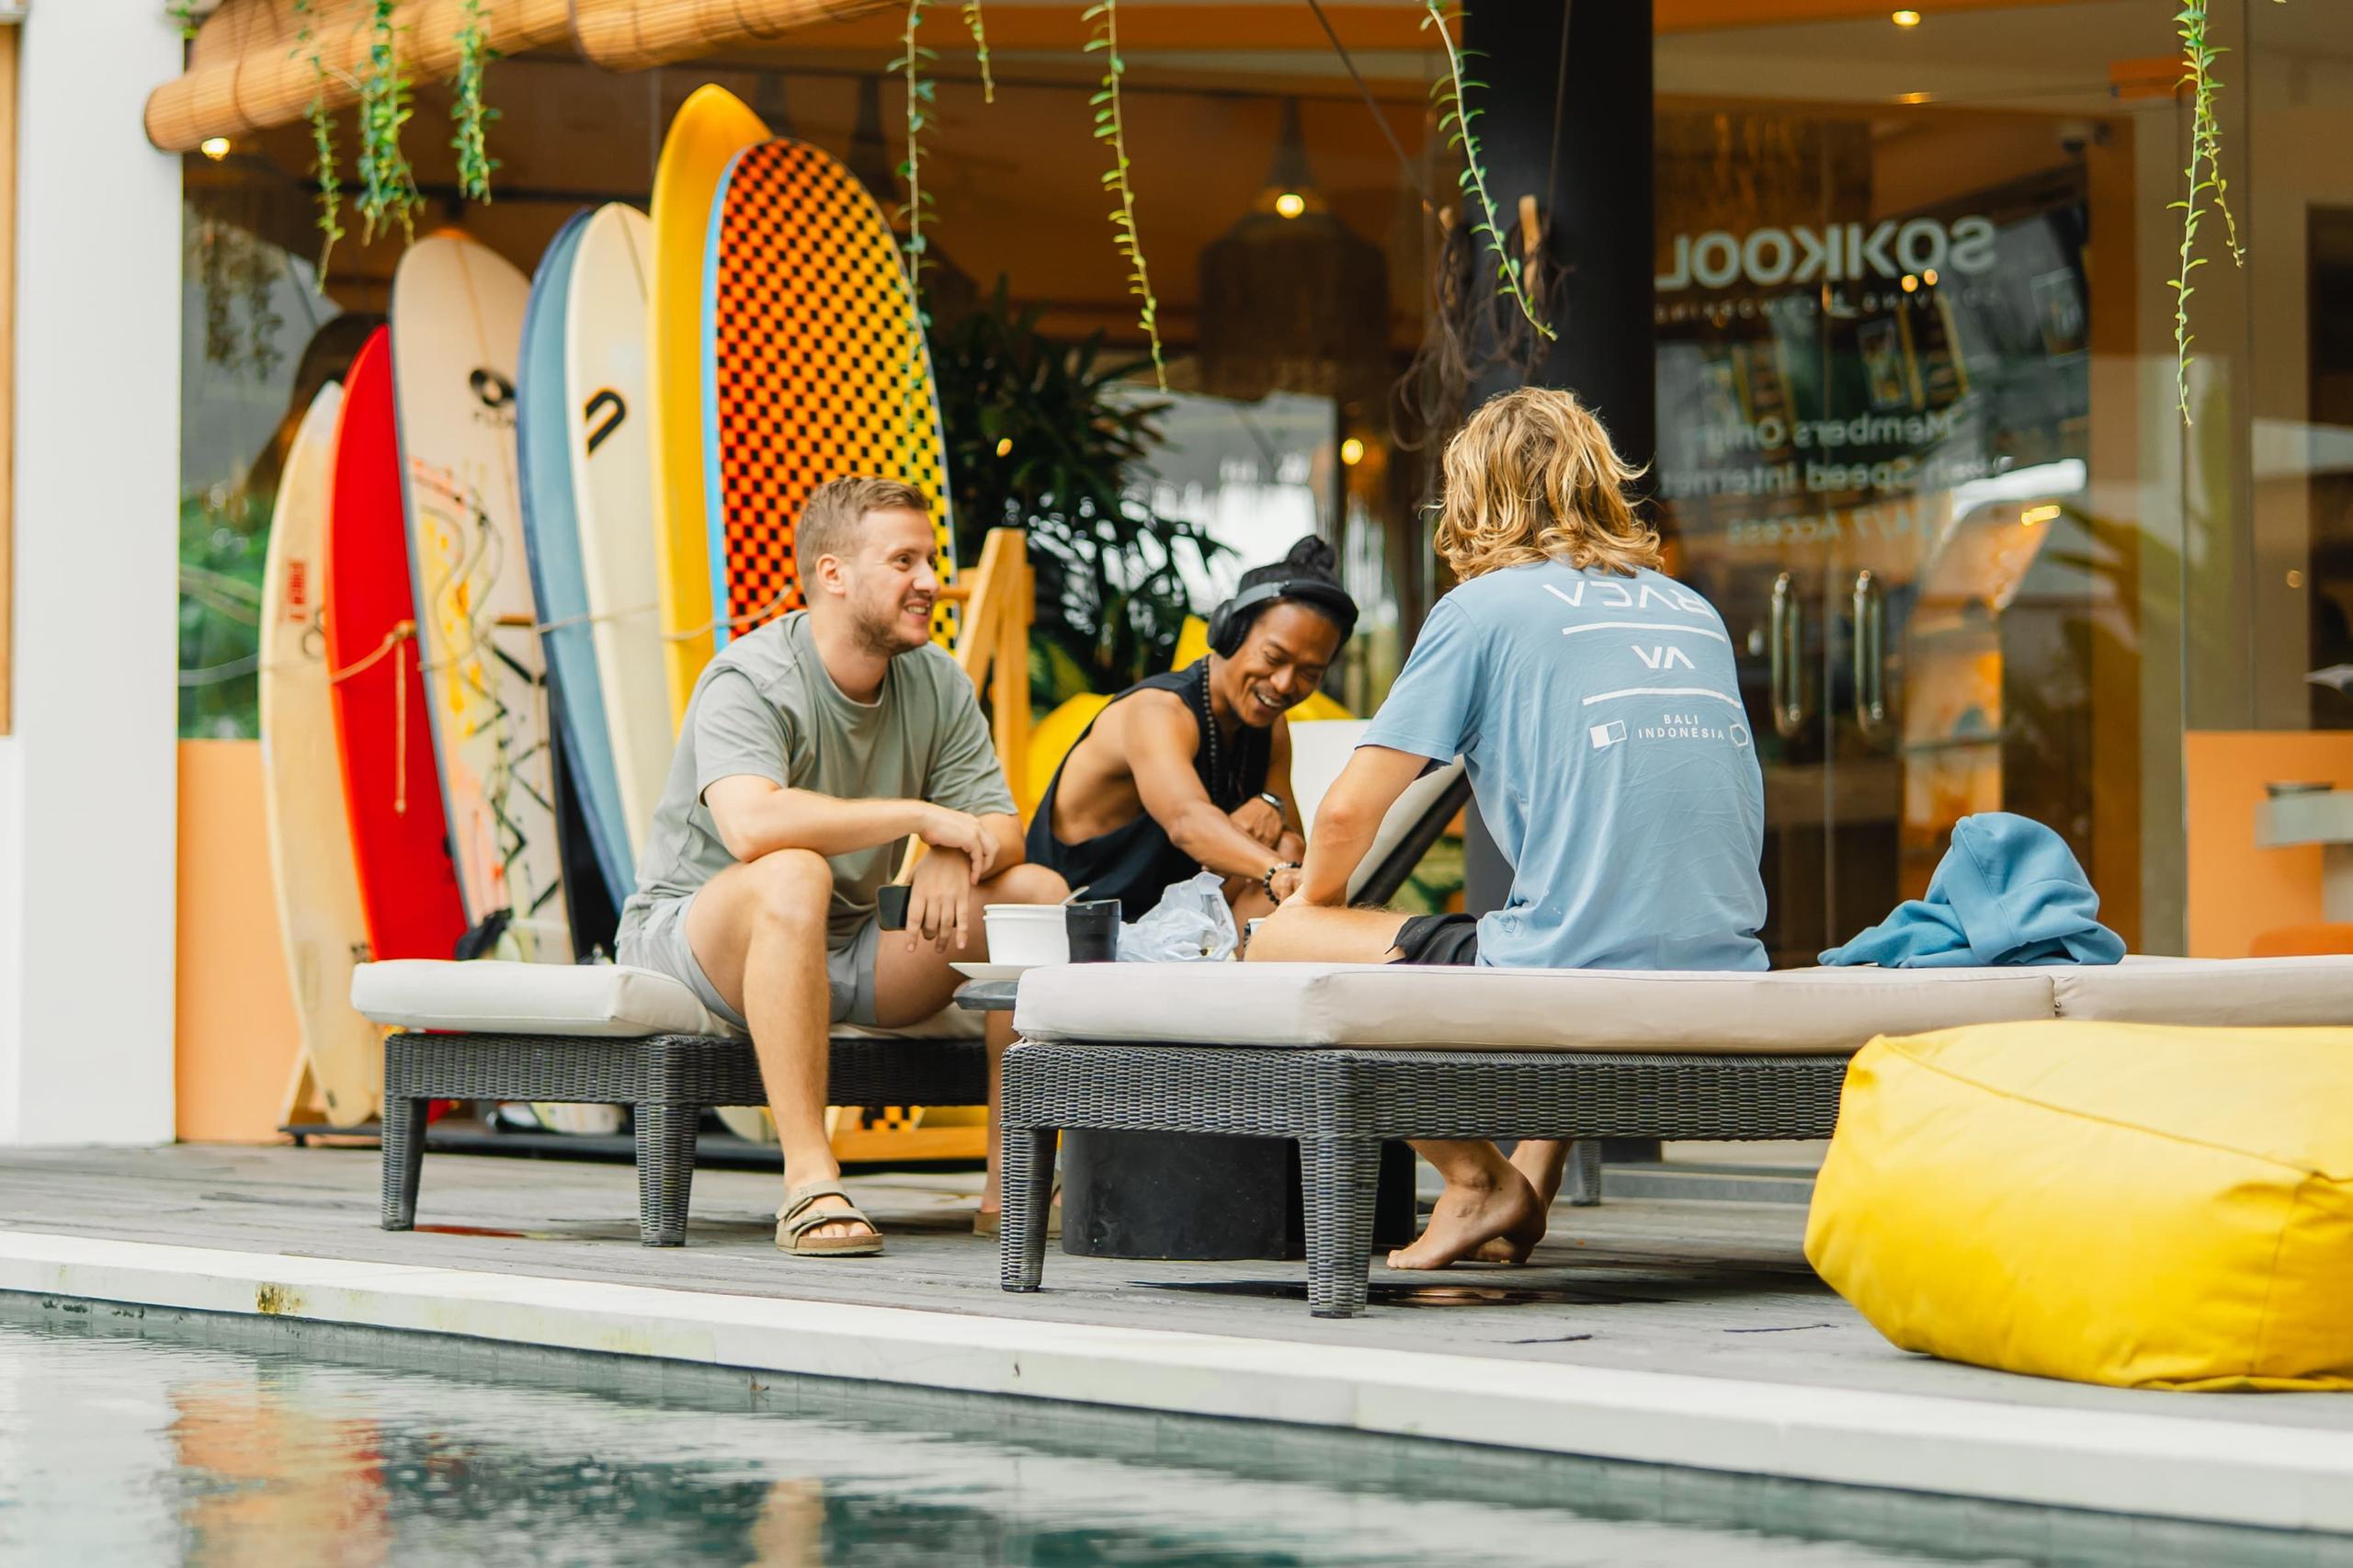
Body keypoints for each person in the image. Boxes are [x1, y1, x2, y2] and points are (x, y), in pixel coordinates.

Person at [1250, 387, 1767, 1271]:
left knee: (1275, 945)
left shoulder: (1484, 610)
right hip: (1725, 958)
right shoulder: (1693, 610)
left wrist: (1314, 909)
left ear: (1475, 494)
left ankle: (1476, 1179)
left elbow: (1344, 810)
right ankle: (1525, 1192)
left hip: (1578, 962)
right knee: (1570, 917)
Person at [616, 475, 1066, 1257]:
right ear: (834, 574)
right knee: (795, 871)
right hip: (697, 942)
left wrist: (953, 854)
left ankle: (1013, 1189)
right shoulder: (749, 678)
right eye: (904, 562)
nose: (930, 582)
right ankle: (809, 1180)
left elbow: (1002, 827)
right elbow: (752, 823)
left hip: (847, 945)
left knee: (1035, 895)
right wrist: (924, 822)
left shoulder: (936, 682)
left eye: (930, 560)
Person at [1028, 537, 1357, 925]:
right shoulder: (1158, 710)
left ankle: (1248, 980)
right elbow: (1187, 821)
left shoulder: (1270, 726)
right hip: (1082, 917)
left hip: (1168, 922)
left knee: (1284, 845)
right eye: (1273, 658)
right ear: (1229, 631)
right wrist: (1277, 870)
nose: (1285, 684)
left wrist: (1271, 806)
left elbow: (1292, 842)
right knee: (1277, 862)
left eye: (1309, 673)